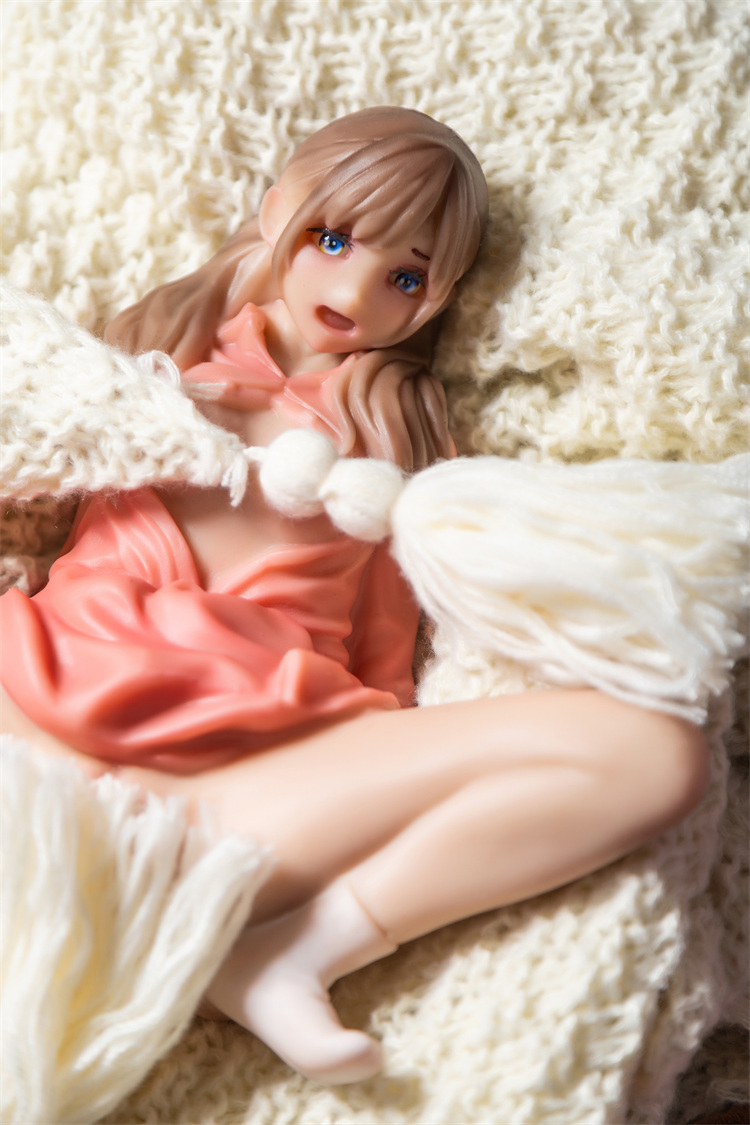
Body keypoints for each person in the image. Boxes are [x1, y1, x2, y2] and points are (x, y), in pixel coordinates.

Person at [0, 108, 709, 1084]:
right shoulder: (150, 353)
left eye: (405, 277)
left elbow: (387, 640)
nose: (353, 290)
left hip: (245, 776)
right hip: (42, 704)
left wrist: (378, 745)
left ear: (438, 297)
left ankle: (290, 951)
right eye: (333, 240)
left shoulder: (395, 442)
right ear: (277, 213)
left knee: (656, 752)